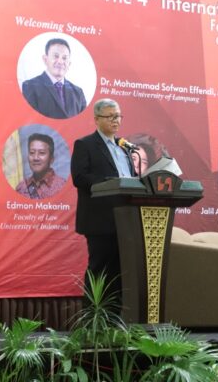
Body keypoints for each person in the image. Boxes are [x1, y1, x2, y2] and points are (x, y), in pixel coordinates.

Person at [71, 98, 134, 302]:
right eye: (110, 116)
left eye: (118, 116)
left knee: (120, 271)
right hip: (100, 219)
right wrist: (110, 183)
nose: (116, 120)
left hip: (125, 219)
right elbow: (80, 177)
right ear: (97, 119)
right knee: (100, 269)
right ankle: (94, 316)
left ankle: (116, 315)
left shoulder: (124, 147)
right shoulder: (85, 145)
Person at [22, 38, 87, 119]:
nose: (60, 61)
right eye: (56, 56)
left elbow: (83, 122)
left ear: (69, 63)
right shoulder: (30, 87)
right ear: (45, 59)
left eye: (64, 58)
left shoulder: (78, 93)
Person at [15, 133, 67, 199]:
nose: (35, 158)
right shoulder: (21, 187)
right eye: (32, 152)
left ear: (51, 159)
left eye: (42, 153)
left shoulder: (62, 186)